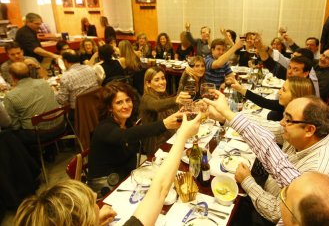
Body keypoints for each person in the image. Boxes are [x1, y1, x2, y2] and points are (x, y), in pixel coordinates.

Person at [15, 113, 202, 226]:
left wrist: (93, 220)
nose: (97, 201)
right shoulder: (105, 129)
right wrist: (182, 136)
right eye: (90, 206)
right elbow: (160, 188)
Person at [204, 91, 329, 226]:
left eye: (288, 119)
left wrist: (247, 182)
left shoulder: (318, 174)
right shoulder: (304, 135)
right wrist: (226, 116)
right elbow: (274, 158)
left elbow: (276, 212)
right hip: (268, 189)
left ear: (309, 129)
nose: (281, 122)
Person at [88, 81, 182, 197]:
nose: (126, 106)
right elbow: (125, 136)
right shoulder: (104, 128)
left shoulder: (127, 123)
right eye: (119, 102)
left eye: (128, 100)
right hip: (105, 190)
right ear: (110, 108)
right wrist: (165, 124)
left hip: (127, 182)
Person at [3, 62, 64, 144]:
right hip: (61, 126)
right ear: (29, 72)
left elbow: (15, 126)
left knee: (8, 133)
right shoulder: (44, 83)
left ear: (12, 76)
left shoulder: (10, 96)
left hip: (38, 135)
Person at [140, 66, 191, 154]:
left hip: (170, 135)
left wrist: (181, 111)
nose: (162, 82)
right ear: (148, 83)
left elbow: (170, 111)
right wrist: (176, 99)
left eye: (163, 78)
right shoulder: (146, 98)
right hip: (156, 144)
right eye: (157, 80)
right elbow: (157, 106)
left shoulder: (162, 94)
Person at [232, 76, 315, 121]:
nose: (279, 92)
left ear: (296, 96)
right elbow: (264, 102)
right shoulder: (285, 105)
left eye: (284, 90)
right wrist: (240, 89)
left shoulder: (293, 122)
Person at [55, 50, 99, 115]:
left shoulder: (67, 76)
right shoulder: (90, 68)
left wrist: (54, 91)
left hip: (77, 112)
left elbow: (61, 100)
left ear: (65, 61)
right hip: (94, 105)